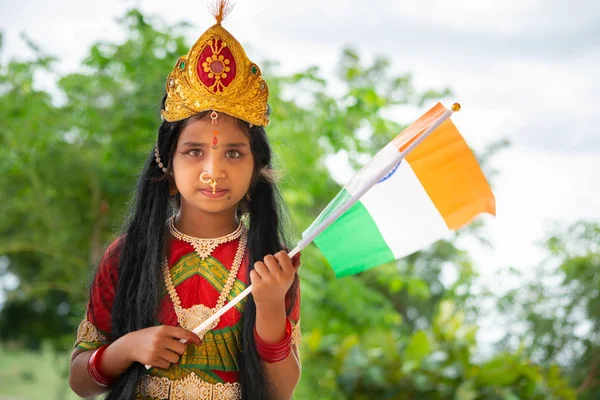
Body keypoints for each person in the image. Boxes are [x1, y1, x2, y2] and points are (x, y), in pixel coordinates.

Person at [68, 2, 302, 399]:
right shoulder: (129, 254)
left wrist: (270, 304)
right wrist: (127, 348)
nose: (213, 171)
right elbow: (80, 382)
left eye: (233, 153)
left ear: (257, 166)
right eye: (194, 152)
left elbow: (279, 392)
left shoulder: (271, 263)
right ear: (167, 163)